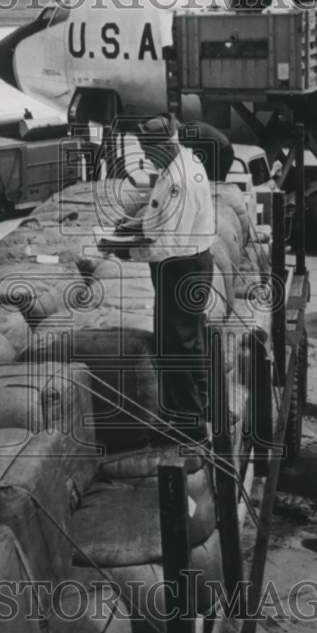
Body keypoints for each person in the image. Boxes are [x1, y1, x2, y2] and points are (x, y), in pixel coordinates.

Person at [115, 115, 217, 445]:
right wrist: (135, 228)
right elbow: (160, 216)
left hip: (182, 268)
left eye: (148, 149)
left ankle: (189, 426)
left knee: (178, 346)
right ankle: (198, 408)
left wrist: (127, 254)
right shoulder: (179, 164)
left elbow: (170, 243)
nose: (145, 157)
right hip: (181, 267)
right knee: (185, 341)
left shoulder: (181, 181)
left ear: (165, 144)